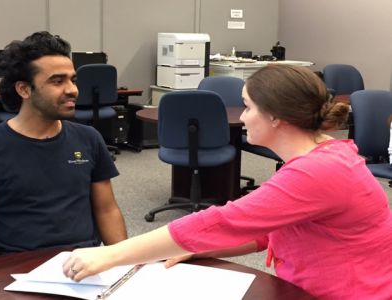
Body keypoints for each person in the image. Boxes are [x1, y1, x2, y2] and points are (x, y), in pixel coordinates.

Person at [62, 65, 392, 299]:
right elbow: (266, 232)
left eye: (247, 107)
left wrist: (111, 255)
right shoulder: (324, 156)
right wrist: (196, 249)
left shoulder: (318, 172)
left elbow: (224, 220)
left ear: (276, 116)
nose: (243, 116)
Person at [0, 31, 127, 262]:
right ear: (24, 90)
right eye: (57, 81)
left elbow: (107, 210)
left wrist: (124, 265)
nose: (72, 90)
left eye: (73, 79)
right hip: (15, 270)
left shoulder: (89, 138)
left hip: (83, 264)